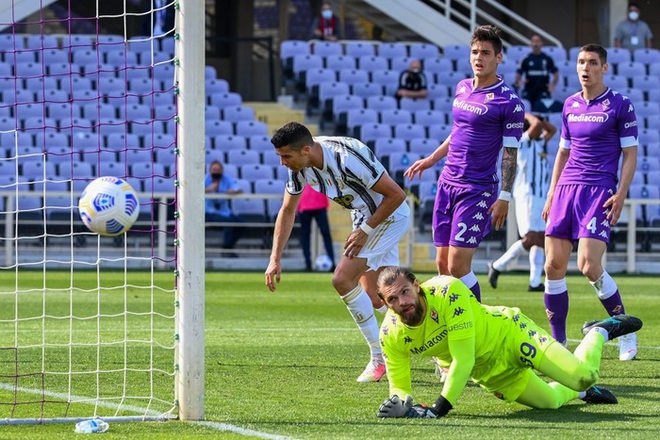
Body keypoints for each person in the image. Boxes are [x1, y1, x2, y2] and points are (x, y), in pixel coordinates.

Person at [375, 267, 643, 419]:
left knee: (584, 375)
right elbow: (399, 385)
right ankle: (582, 393)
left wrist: (437, 409)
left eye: (404, 292)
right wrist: (401, 402)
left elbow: (463, 358)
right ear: (384, 303)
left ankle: (598, 332)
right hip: (489, 373)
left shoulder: (447, 291)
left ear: (416, 285)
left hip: (511, 335)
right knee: (550, 402)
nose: (402, 303)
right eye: (392, 300)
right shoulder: (390, 333)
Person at [266, 121, 410, 383]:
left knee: (342, 279)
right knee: (377, 298)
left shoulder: (347, 157)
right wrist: (275, 258)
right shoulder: (299, 168)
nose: (283, 163)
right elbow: (287, 210)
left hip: (389, 216)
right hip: (364, 219)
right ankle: (433, 336)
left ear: (306, 150)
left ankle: (380, 358)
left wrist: (366, 229)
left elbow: (397, 195)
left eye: (286, 156)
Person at [404, 25, 524, 301]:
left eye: (485, 52)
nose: (478, 57)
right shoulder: (462, 88)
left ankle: (478, 325)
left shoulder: (509, 102)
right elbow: (458, 132)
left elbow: (510, 153)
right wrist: (432, 158)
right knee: (442, 265)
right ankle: (454, 325)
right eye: (474, 52)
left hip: (477, 188)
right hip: (447, 183)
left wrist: (505, 196)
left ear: (499, 58)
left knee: (458, 265)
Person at [542, 44, 638, 359]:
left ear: (604, 68)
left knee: (588, 264)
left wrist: (620, 193)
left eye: (592, 62)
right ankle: (560, 344)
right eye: (581, 62)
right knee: (553, 266)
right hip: (567, 188)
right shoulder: (569, 104)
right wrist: (552, 191)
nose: (586, 68)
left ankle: (624, 330)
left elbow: (630, 154)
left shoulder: (620, 105)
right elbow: (563, 151)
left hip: (598, 189)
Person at [488, 113, 556, 292]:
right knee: (531, 237)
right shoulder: (524, 141)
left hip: (541, 195)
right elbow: (536, 127)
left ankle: (534, 282)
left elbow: (552, 130)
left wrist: (541, 119)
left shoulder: (540, 142)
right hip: (527, 195)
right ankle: (497, 266)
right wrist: (527, 115)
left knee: (541, 239)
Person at [204, 160, 244, 256]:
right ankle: (226, 250)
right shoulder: (205, 179)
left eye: (218, 170)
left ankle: (229, 247)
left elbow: (238, 189)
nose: (216, 172)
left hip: (224, 211)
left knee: (241, 224)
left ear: (222, 171)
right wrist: (209, 189)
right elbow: (195, 191)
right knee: (229, 223)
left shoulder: (226, 179)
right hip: (209, 212)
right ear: (210, 171)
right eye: (214, 169)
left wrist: (233, 191)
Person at [514, 34, 560, 113]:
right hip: (529, 90)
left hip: (543, 90)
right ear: (530, 43)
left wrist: (552, 84)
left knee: (541, 111)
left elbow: (556, 74)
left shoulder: (547, 58)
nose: (535, 44)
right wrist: (519, 82)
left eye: (538, 41)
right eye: (533, 41)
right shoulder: (526, 59)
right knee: (526, 110)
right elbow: (518, 74)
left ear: (542, 43)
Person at [298, 184, 336, 272]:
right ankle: (308, 263)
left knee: (325, 233)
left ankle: (332, 263)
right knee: (305, 234)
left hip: (320, 203)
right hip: (305, 203)